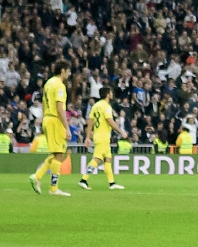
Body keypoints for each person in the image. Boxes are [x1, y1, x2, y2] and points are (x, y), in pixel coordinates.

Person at [30, 62, 72, 197]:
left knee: (57, 154)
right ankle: (53, 188)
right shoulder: (59, 85)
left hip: (47, 118)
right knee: (59, 154)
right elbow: (60, 107)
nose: (69, 74)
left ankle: (38, 176)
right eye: (68, 71)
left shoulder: (48, 83)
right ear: (63, 71)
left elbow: (44, 103)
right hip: (55, 119)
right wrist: (67, 127)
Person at [79, 86, 126, 191]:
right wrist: (121, 132)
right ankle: (83, 180)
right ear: (107, 94)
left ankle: (112, 183)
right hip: (103, 136)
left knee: (107, 159)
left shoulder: (95, 106)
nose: (112, 94)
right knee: (97, 159)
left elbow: (90, 122)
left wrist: (88, 137)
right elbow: (110, 121)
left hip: (98, 135)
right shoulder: (106, 106)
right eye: (111, 92)